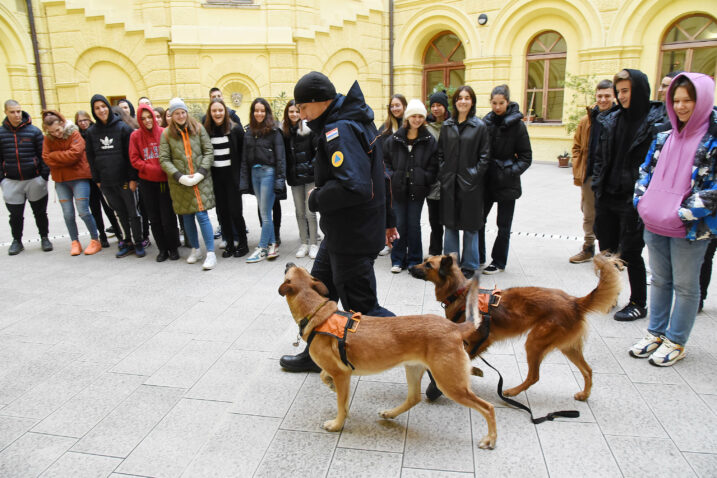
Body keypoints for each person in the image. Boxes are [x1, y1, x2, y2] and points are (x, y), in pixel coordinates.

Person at [279, 72, 395, 373]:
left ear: (320, 102)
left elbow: (355, 185)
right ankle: (315, 354)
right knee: (318, 296)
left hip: (352, 235)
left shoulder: (340, 128)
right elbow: (379, 175)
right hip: (342, 231)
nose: (301, 115)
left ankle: (433, 348)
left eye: (304, 107)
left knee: (364, 310)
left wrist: (316, 198)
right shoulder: (349, 118)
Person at [630, 72, 716, 366]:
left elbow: (714, 189)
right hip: (654, 222)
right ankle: (655, 332)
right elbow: (645, 171)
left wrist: (682, 212)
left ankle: (676, 339)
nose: (680, 106)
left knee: (686, 286)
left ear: (702, 100)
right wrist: (641, 202)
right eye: (676, 100)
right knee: (662, 281)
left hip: (690, 228)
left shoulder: (712, 140)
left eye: (688, 100)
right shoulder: (663, 136)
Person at [592, 69, 664, 321]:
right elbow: (600, 157)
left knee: (632, 251)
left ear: (640, 90)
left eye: (626, 91)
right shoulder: (611, 120)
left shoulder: (656, 121)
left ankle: (638, 302)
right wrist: (598, 185)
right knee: (606, 249)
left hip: (633, 198)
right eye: (619, 91)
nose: (621, 97)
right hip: (608, 194)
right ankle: (609, 295)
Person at [478, 85, 532, 274]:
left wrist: (509, 171)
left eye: (501, 103)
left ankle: (499, 262)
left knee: (503, 225)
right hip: (487, 181)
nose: (498, 107)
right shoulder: (485, 122)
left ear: (507, 102)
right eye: (494, 103)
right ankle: (479, 256)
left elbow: (526, 157)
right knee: (479, 220)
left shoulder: (517, 125)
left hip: (508, 181)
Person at [438, 86, 490, 279]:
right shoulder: (447, 125)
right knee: (450, 225)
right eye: (460, 98)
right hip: (449, 183)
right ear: (455, 102)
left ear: (472, 101)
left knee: (470, 226)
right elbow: (440, 152)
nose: (463, 101)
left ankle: (469, 265)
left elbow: (485, 156)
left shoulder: (479, 126)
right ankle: (451, 264)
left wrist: (473, 175)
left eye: (467, 98)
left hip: (471, 185)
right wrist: (444, 172)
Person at [159, 97, 217, 270]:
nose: (180, 116)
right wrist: (178, 176)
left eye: (183, 112)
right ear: (171, 115)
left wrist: (201, 173)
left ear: (186, 113)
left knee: (201, 215)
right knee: (187, 216)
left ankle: (211, 253)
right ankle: (195, 249)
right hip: (180, 183)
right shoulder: (166, 134)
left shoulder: (198, 128)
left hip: (200, 180)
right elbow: (164, 159)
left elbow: (208, 151)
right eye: (176, 113)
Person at [85, 94, 145, 258]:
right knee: (120, 214)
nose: (101, 110)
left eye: (103, 106)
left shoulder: (123, 128)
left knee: (133, 213)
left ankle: (138, 242)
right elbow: (91, 158)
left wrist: (133, 178)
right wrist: (97, 180)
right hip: (106, 182)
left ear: (108, 107)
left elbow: (131, 156)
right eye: (97, 108)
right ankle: (127, 242)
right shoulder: (91, 132)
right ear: (94, 111)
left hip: (125, 180)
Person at [384, 98, 438, 273]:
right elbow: (385, 163)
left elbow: (434, 165)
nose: (417, 119)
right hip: (398, 189)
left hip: (418, 189)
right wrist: (392, 176)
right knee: (399, 224)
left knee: (414, 224)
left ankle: (414, 259)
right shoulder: (394, 139)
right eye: (413, 116)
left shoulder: (429, 140)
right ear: (407, 118)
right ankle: (398, 259)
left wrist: (426, 178)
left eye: (420, 116)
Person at [41, 110, 102, 255]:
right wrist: (59, 157)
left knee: (83, 211)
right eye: (51, 132)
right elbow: (45, 157)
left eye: (57, 130)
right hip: (61, 180)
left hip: (79, 178)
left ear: (62, 124)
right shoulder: (48, 139)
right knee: (68, 213)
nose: (56, 134)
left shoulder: (74, 134)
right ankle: (75, 242)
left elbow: (75, 155)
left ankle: (95, 240)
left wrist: (54, 155)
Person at [568, 80, 615, 264]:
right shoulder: (587, 120)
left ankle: (608, 252)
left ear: (614, 97)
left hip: (610, 177)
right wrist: (578, 167)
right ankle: (588, 248)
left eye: (607, 96)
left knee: (608, 214)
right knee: (588, 213)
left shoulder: (618, 117)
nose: (603, 100)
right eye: (600, 96)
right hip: (590, 174)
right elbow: (577, 146)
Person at [129, 103, 180, 262]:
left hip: (165, 182)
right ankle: (162, 249)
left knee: (168, 218)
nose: (147, 121)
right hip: (147, 183)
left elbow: (173, 155)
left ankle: (173, 247)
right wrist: (150, 169)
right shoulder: (135, 136)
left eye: (149, 117)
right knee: (154, 219)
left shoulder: (165, 133)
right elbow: (134, 159)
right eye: (143, 118)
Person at [0, 100, 52, 255]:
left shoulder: (34, 131)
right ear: (6, 113)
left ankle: (44, 237)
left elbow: (44, 156)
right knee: (15, 215)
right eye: (12, 112)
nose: (17, 115)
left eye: (18, 111)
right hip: (11, 181)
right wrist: (2, 180)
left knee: (40, 212)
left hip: (34, 180)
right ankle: (17, 241)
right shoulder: (1, 134)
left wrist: (43, 177)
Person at [240, 98, 286, 263]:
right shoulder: (249, 132)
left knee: (265, 213)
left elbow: (281, 158)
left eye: (262, 110)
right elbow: (245, 159)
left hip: (268, 173)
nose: (259, 113)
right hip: (255, 173)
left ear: (266, 112)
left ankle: (262, 247)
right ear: (253, 112)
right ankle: (273, 244)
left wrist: (280, 180)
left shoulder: (274, 131)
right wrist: (244, 182)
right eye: (256, 110)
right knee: (263, 211)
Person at [203, 98, 248, 258]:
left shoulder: (235, 130)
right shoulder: (207, 131)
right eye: (214, 111)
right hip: (216, 179)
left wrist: (243, 177)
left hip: (232, 178)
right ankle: (229, 244)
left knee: (236, 212)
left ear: (225, 112)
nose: (217, 113)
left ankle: (243, 243)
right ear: (210, 113)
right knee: (222, 213)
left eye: (220, 110)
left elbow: (244, 154)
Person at [282, 100, 319, 259]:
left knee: (310, 212)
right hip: (295, 178)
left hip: (310, 177)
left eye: (297, 111)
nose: (294, 114)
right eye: (291, 112)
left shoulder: (309, 129)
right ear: (287, 113)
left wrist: (312, 168)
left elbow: (317, 153)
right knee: (299, 212)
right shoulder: (284, 132)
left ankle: (313, 244)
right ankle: (303, 243)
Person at [75, 110, 118, 248]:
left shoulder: (95, 133)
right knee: (95, 209)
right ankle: (102, 236)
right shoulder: (76, 137)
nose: (83, 123)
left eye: (85, 120)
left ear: (90, 120)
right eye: (79, 121)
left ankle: (118, 232)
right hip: (87, 178)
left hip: (101, 176)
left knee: (109, 207)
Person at [377, 93, 407, 257]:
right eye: (392, 106)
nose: (395, 108)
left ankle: (402, 243)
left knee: (404, 215)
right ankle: (389, 242)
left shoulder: (410, 126)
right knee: (389, 210)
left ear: (404, 106)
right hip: (389, 177)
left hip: (405, 178)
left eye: (398, 105)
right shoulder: (385, 128)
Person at [425, 90, 450, 256]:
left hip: (450, 181)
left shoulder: (452, 126)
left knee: (449, 221)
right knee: (434, 221)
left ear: (445, 107)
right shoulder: (426, 128)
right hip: (432, 181)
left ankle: (450, 254)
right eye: (433, 105)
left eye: (439, 105)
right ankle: (435, 251)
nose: (435, 108)